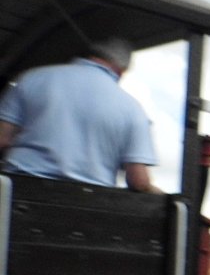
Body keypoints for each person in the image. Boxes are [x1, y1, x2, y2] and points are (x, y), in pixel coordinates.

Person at [0, 37, 161, 192]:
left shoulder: (31, 78)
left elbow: (2, 139)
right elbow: (138, 181)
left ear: (90, 55)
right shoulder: (133, 108)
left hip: (18, 188)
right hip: (88, 200)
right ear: (121, 70)